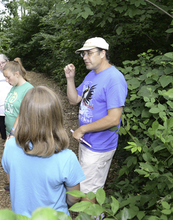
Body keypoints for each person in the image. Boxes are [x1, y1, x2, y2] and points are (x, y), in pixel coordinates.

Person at [1, 86, 86, 217]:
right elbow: (74, 197)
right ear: (56, 117)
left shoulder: (10, 146)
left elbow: (12, 181)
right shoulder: (67, 158)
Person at [64, 37, 127, 210]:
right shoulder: (92, 74)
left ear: (103, 53)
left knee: (86, 191)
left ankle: (93, 215)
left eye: (89, 53)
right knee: (89, 187)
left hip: (99, 146)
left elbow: (114, 118)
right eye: (83, 53)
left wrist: (82, 128)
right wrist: (70, 79)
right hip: (86, 142)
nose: (85, 57)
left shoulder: (115, 78)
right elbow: (74, 99)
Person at [3, 57, 33, 136]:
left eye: (8, 77)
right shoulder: (14, 87)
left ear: (17, 74)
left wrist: (13, 132)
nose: (6, 80)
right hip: (10, 133)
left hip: (21, 134)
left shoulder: (28, 89)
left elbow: (27, 115)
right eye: (5, 77)